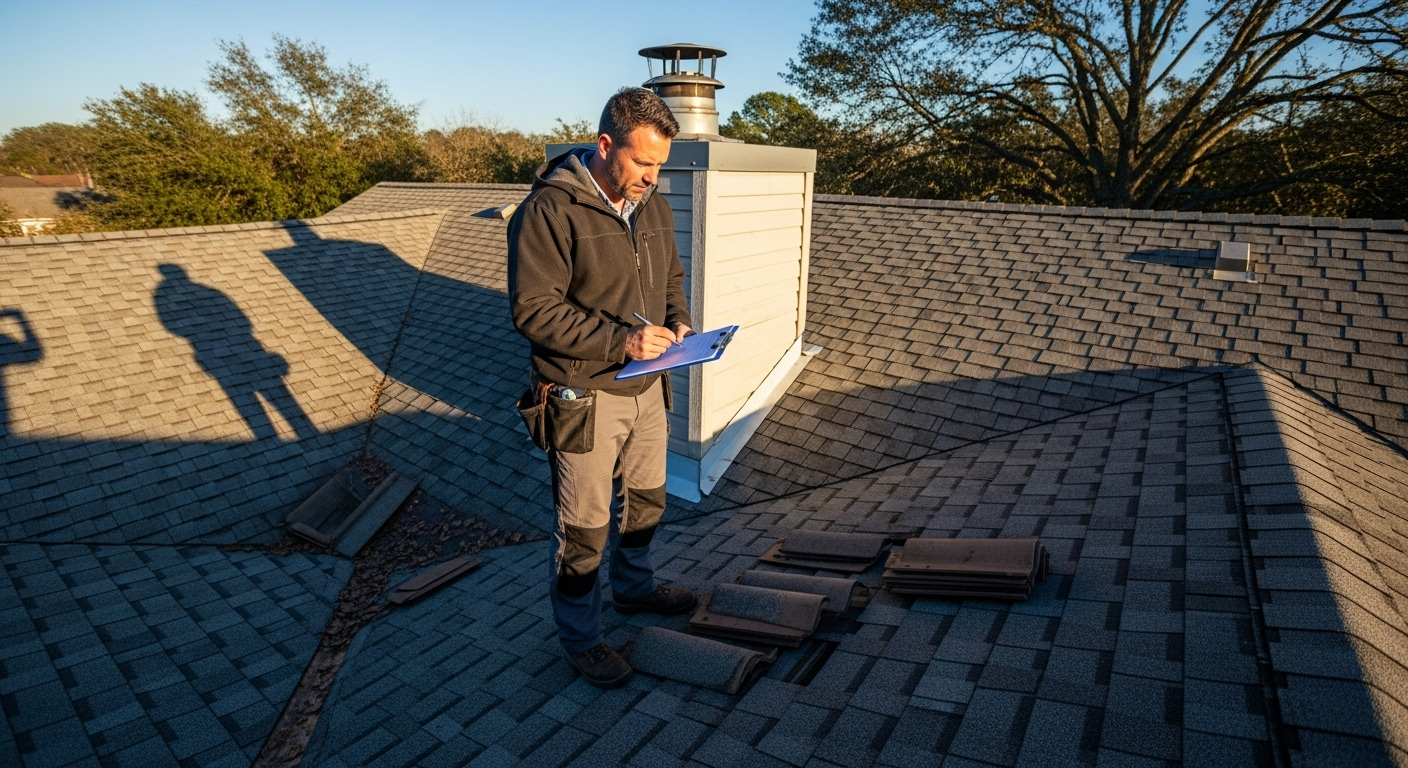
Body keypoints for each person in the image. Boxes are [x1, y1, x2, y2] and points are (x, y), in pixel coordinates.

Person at [508, 88, 697, 688]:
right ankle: (582, 639)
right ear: (605, 144)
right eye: (643, 162)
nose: (652, 175)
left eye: (660, 164)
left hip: (646, 391)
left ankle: (635, 593)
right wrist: (623, 344)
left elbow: (670, 275)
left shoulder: (651, 203)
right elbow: (533, 312)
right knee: (585, 529)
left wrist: (679, 321)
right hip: (582, 396)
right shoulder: (548, 210)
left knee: (646, 503)